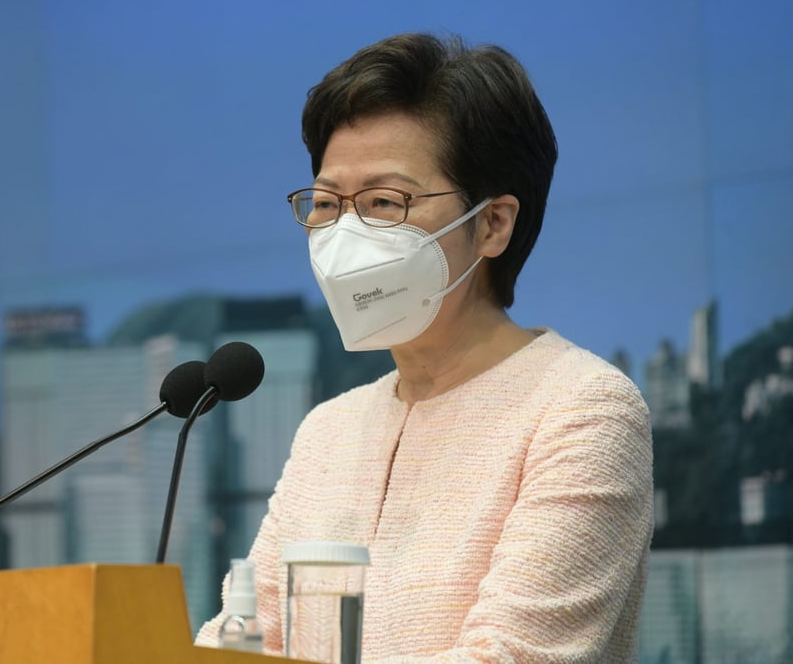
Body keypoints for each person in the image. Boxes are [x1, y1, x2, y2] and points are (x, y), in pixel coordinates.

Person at [196, 32, 653, 662]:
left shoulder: (582, 410)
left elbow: (509, 656)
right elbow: (243, 636)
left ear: (492, 224)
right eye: (327, 204)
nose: (346, 234)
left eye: (385, 202)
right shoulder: (328, 432)